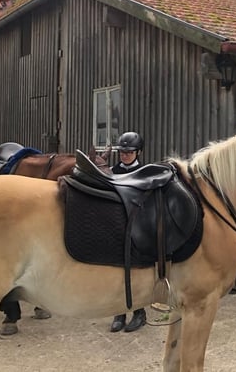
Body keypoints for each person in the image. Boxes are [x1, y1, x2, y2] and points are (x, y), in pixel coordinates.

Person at [109, 131, 148, 333]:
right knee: (116, 271)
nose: (125, 155)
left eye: (129, 152)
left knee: (135, 272)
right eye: (122, 152)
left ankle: (139, 312)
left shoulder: (145, 172)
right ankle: (119, 312)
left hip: (136, 228)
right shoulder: (112, 171)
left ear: (138, 152)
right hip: (116, 225)